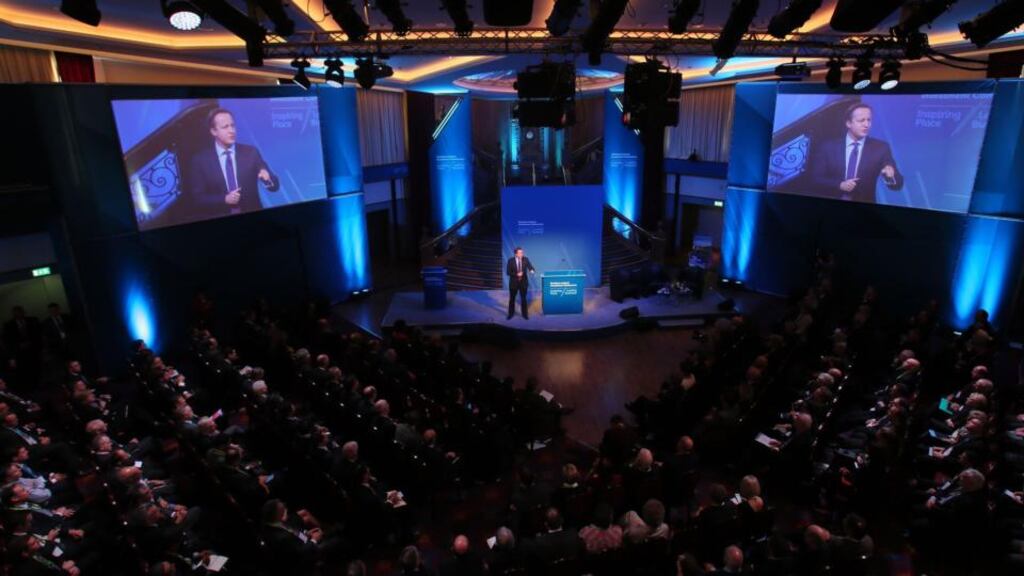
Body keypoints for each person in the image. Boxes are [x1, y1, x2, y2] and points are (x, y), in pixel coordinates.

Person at [187, 108, 279, 218]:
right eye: (225, 127)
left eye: (233, 125)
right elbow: (198, 198)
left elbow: (275, 186)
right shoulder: (200, 160)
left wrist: (267, 180)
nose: (231, 130)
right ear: (213, 131)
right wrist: (224, 199)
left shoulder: (250, 153)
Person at [809, 102, 903, 203]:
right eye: (861, 120)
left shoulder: (880, 148)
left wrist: (890, 177)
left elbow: (898, 185)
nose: (866, 125)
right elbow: (815, 179)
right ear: (848, 123)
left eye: (869, 120)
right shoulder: (828, 147)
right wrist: (839, 185)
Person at [506, 247, 536, 320]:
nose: (522, 254)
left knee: (523, 299)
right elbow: (508, 272)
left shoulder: (526, 259)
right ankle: (510, 314)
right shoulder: (510, 261)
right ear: (516, 254)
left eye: (522, 252)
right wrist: (517, 274)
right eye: (520, 253)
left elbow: (531, 267)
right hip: (513, 283)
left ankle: (524, 314)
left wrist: (532, 270)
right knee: (512, 299)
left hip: (523, 283)